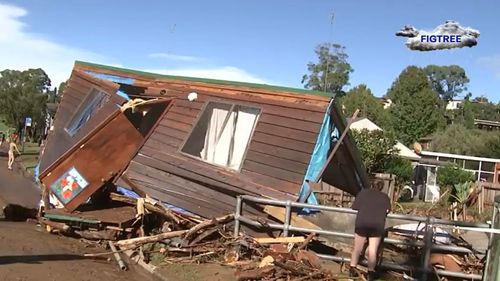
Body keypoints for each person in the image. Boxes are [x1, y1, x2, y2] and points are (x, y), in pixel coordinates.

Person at [349, 181, 391, 281]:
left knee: (357, 248)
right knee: (373, 250)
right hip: (376, 226)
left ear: (371, 185)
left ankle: (352, 269)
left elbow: (354, 207)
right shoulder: (385, 197)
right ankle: (370, 273)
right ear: (381, 188)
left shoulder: (363, 193)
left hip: (362, 224)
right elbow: (387, 211)